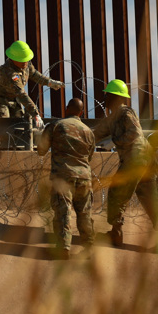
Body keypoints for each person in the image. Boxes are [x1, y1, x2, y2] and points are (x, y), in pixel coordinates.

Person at [93, 79, 158, 252]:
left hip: (134, 160)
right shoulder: (113, 118)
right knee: (150, 197)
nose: (105, 98)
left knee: (116, 193)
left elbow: (135, 134)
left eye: (107, 95)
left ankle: (116, 233)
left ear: (115, 97)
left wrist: (114, 141)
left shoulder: (125, 113)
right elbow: (95, 135)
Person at [37, 98, 97, 259]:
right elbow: (90, 156)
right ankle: (89, 248)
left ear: (66, 108)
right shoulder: (88, 131)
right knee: (85, 214)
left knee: (63, 212)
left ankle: (63, 248)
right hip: (84, 177)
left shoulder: (56, 126)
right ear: (81, 112)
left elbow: (41, 150)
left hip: (63, 176)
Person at [0, 40, 63, 128]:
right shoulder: (10, 74)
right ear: (13, 59)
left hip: (13, 98)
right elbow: (21, 94)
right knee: (4, 123)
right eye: (22, 60)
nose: (25, 63)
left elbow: (34, 74)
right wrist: (35, 114)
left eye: (26, 60)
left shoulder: (25, 64)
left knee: (19, 122)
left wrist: (49, 82)